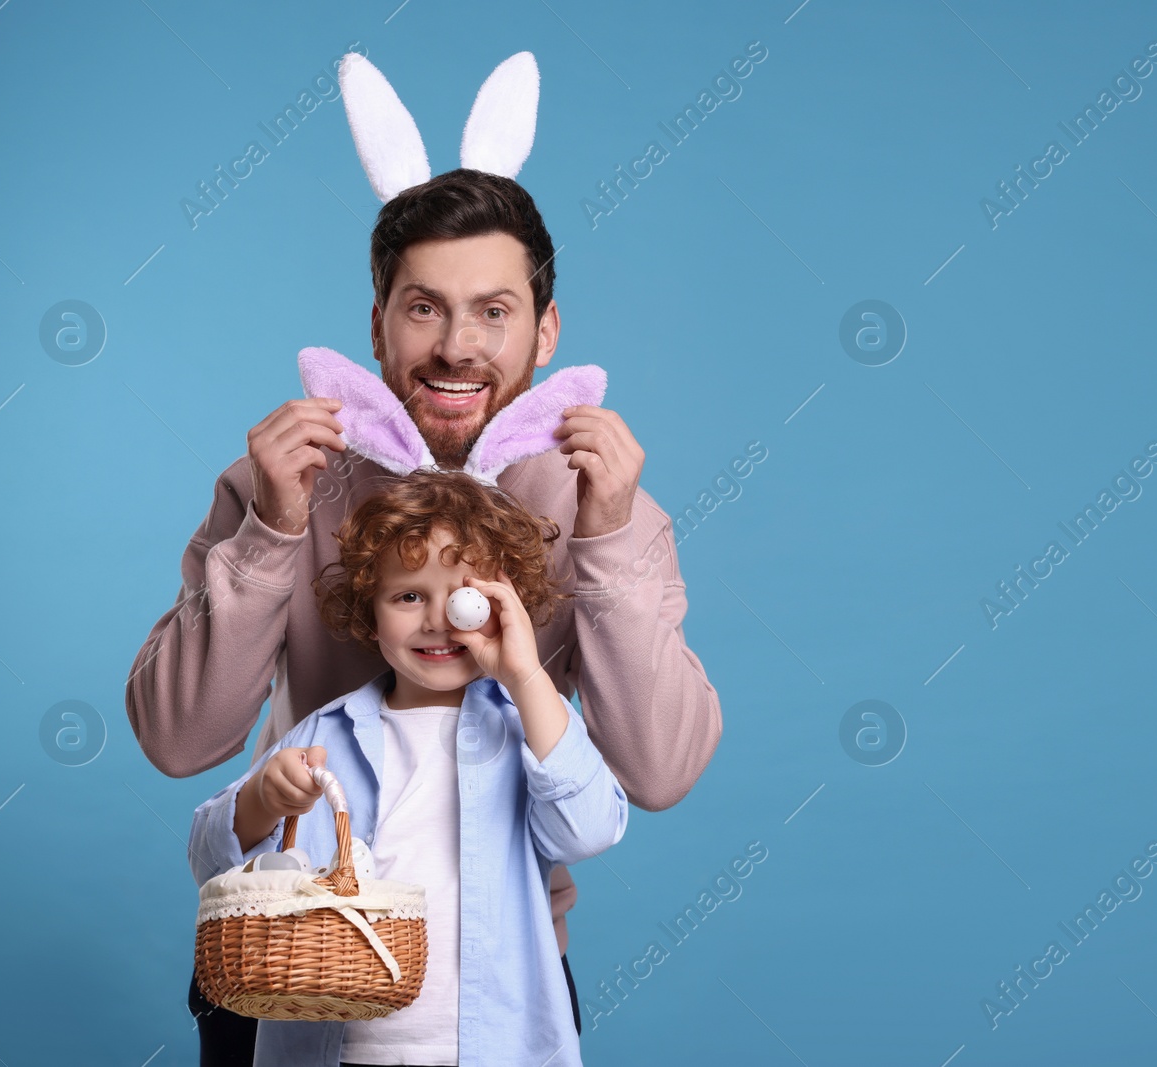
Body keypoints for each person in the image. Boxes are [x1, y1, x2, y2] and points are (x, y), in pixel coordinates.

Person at [126, 169, 722, 1063]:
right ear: (377, 324)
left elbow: (660, 772)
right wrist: (271, 530)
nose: (456, 347)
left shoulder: (603, 503)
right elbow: (181, 741)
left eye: (494, 311)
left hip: (495, 983)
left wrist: (605, 545)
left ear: (545, 330)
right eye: (424, 309)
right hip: (291, 960)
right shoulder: (282, 485)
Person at [189, 470, 626, 1066]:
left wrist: (526, 676)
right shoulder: (325, 734)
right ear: (371, 613)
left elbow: (591, 828)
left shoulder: (532, 726)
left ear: (505, 608)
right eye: (409, 595)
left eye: (465, 597)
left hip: (493, 1044)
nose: (438, 620)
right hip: (336, 1046)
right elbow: (210, 861)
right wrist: (263, 799)